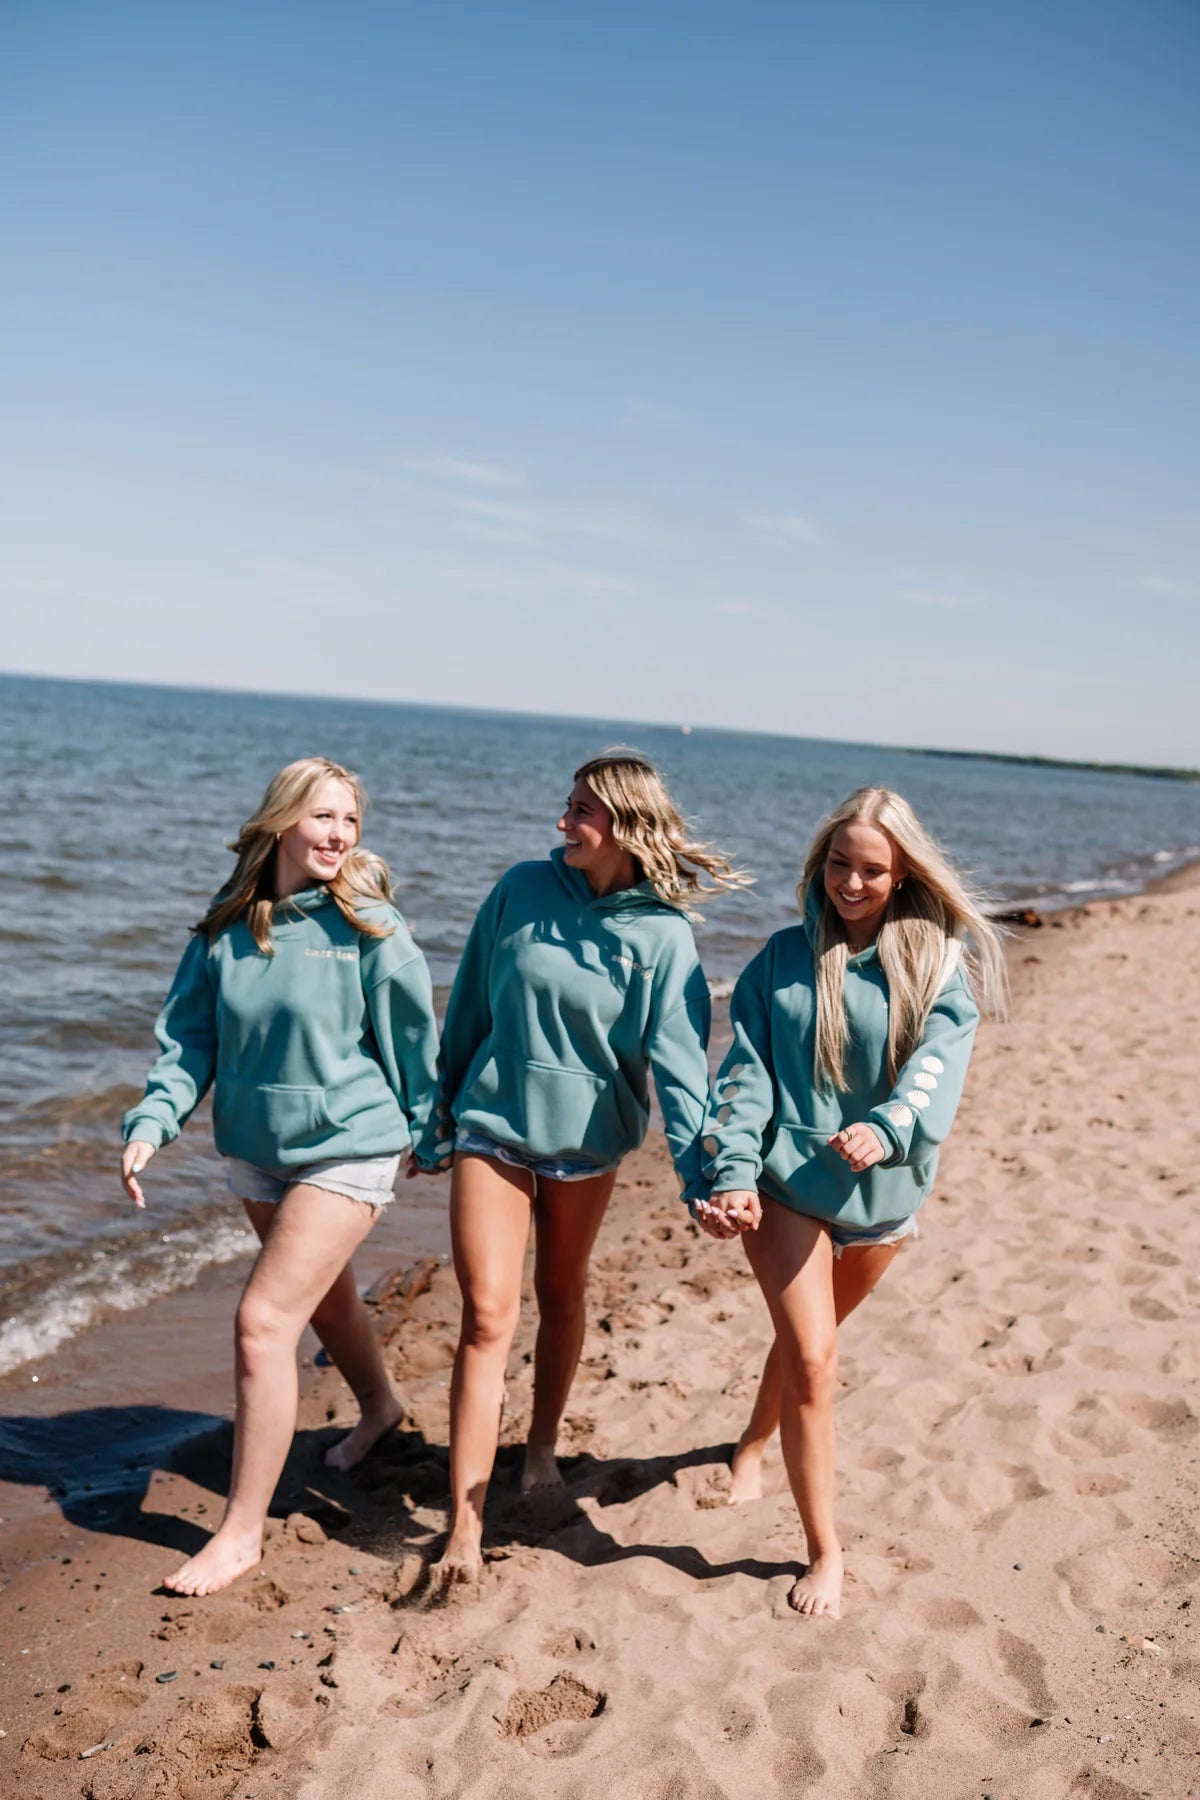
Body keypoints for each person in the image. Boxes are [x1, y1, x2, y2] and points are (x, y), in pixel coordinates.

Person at [423, 751, 749, 1587]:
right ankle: (464, 1525)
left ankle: (540, 1448)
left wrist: (702, 1180)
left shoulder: (663, 936)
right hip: (491, 1129)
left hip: (587, 1146)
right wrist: (438, 1117)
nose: (562, 823)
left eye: (580, 812)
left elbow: (682, 1073)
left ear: (626, 827)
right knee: (487, 1317)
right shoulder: (520, 889)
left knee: (562, 1292)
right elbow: (468, 1008)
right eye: (566, 805)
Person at [120, 757, 440, 1597]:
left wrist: (428, 1131)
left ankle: (240, 1534)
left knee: (262, 1323)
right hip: (257, 1150)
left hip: (350, 1142)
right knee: (322, 1296)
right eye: (323, 816)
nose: (339, 835)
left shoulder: (369, 926)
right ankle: (381, 1407)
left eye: (351, 821)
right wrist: (152, 1124)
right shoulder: (227, 928)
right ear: (281, 821)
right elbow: (189, 1042)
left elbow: (414, 1043)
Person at [694, 786, 1006, 1620]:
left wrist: (889, 1125)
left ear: (903, 876)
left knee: (811, 1341)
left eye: (871, 870)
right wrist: (733, 1171)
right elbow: (746, 1074)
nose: (851, 883)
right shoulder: (780, 958)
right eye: (839, 864)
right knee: (815, 1358)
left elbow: (935, 1070)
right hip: (786, 1186)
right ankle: (825, 1550)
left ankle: (754, 1440)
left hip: (883, 1192)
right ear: (821, 862)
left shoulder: (936, 969)